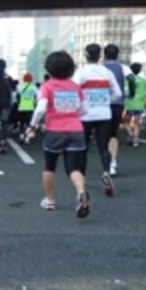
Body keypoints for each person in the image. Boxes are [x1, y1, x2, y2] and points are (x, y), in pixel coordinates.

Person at [26, 51, 89, 218]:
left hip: (54, 131)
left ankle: (50, 200)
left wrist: (33, 125)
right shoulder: (76, 87)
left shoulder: (47, 86)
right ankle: (81, 192)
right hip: (76, 131)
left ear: (49, 69)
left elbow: (40, 109)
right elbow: (84, 110)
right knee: (73, 168)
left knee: (49, 166)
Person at [72, 43, 121, 196]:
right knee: (103, 146)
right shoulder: (107, 73)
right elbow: (118, 94)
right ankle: (106, 172)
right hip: (104, 114)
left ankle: (83, 180)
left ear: (86, 56)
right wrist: (106, 100)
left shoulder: (81, 73)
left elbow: (73, 91)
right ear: (100, 56)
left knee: (83, 148)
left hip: (85, 115)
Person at [102, 44, 131, 175]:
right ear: (117, 55)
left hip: (100, 104)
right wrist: (130, 93)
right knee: (113, 134)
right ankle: (113, 162)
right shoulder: (123, 68)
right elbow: (132, 80)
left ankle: (105, 162)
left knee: (102, 135)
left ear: (104, 55)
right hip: (117, 104)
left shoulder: (100, 68)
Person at [124, 61, 146, 147]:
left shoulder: (127, 79)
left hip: (129, 104)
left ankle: (130, 133)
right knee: (137, 123)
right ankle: (136, 141)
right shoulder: (143, 80)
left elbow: (126, 91)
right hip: (140, 104)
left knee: (126, 121)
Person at [17, 72, 37, 142]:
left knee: (21, 123)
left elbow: (18, 94)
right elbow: (38, 96)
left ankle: (21, 136)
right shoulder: (34, 87)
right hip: (30, 108)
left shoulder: (20, 86)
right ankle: (27, 138)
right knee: (29, 123)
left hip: (21, 108)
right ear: (31, 79)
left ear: (24, 79)